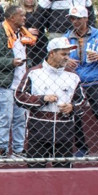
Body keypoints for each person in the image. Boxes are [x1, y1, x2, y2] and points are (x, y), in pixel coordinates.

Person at [15, 37, 85, 168]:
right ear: (52, 53)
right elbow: (19, 97)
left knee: (64, 173)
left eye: (68, 54)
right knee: (35, 172)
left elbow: (81, 100)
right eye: (63, 54)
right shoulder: (34, 73)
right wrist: (42, 99)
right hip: (38, 130)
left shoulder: (73, 76)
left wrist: (72, 107)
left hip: (64, 131)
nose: (67, 58)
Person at [0, 5, 37, 158]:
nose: (25, 18)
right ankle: (2, 150)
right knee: (6, 117)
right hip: (5, 83)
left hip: (21, 83)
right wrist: (10, 62)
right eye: (22, 15)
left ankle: (18, 150)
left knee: (21, 118)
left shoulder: (23, 34)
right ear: (12, 17)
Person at [64, 5, 98, 157]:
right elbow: (55, 54)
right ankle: (81, 147)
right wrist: (65, 61)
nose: (75, 22)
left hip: (95, 80)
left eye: (78, 18)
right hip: (75, 81)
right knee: (75, 114)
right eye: (72, 18)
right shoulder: (67, 37)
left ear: (85, 18)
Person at [20, 0, 47, 66]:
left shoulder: (40, 11)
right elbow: (14, 27)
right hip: (26, 45)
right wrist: (26, 30)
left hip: (41, 44)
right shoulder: (19, 11)